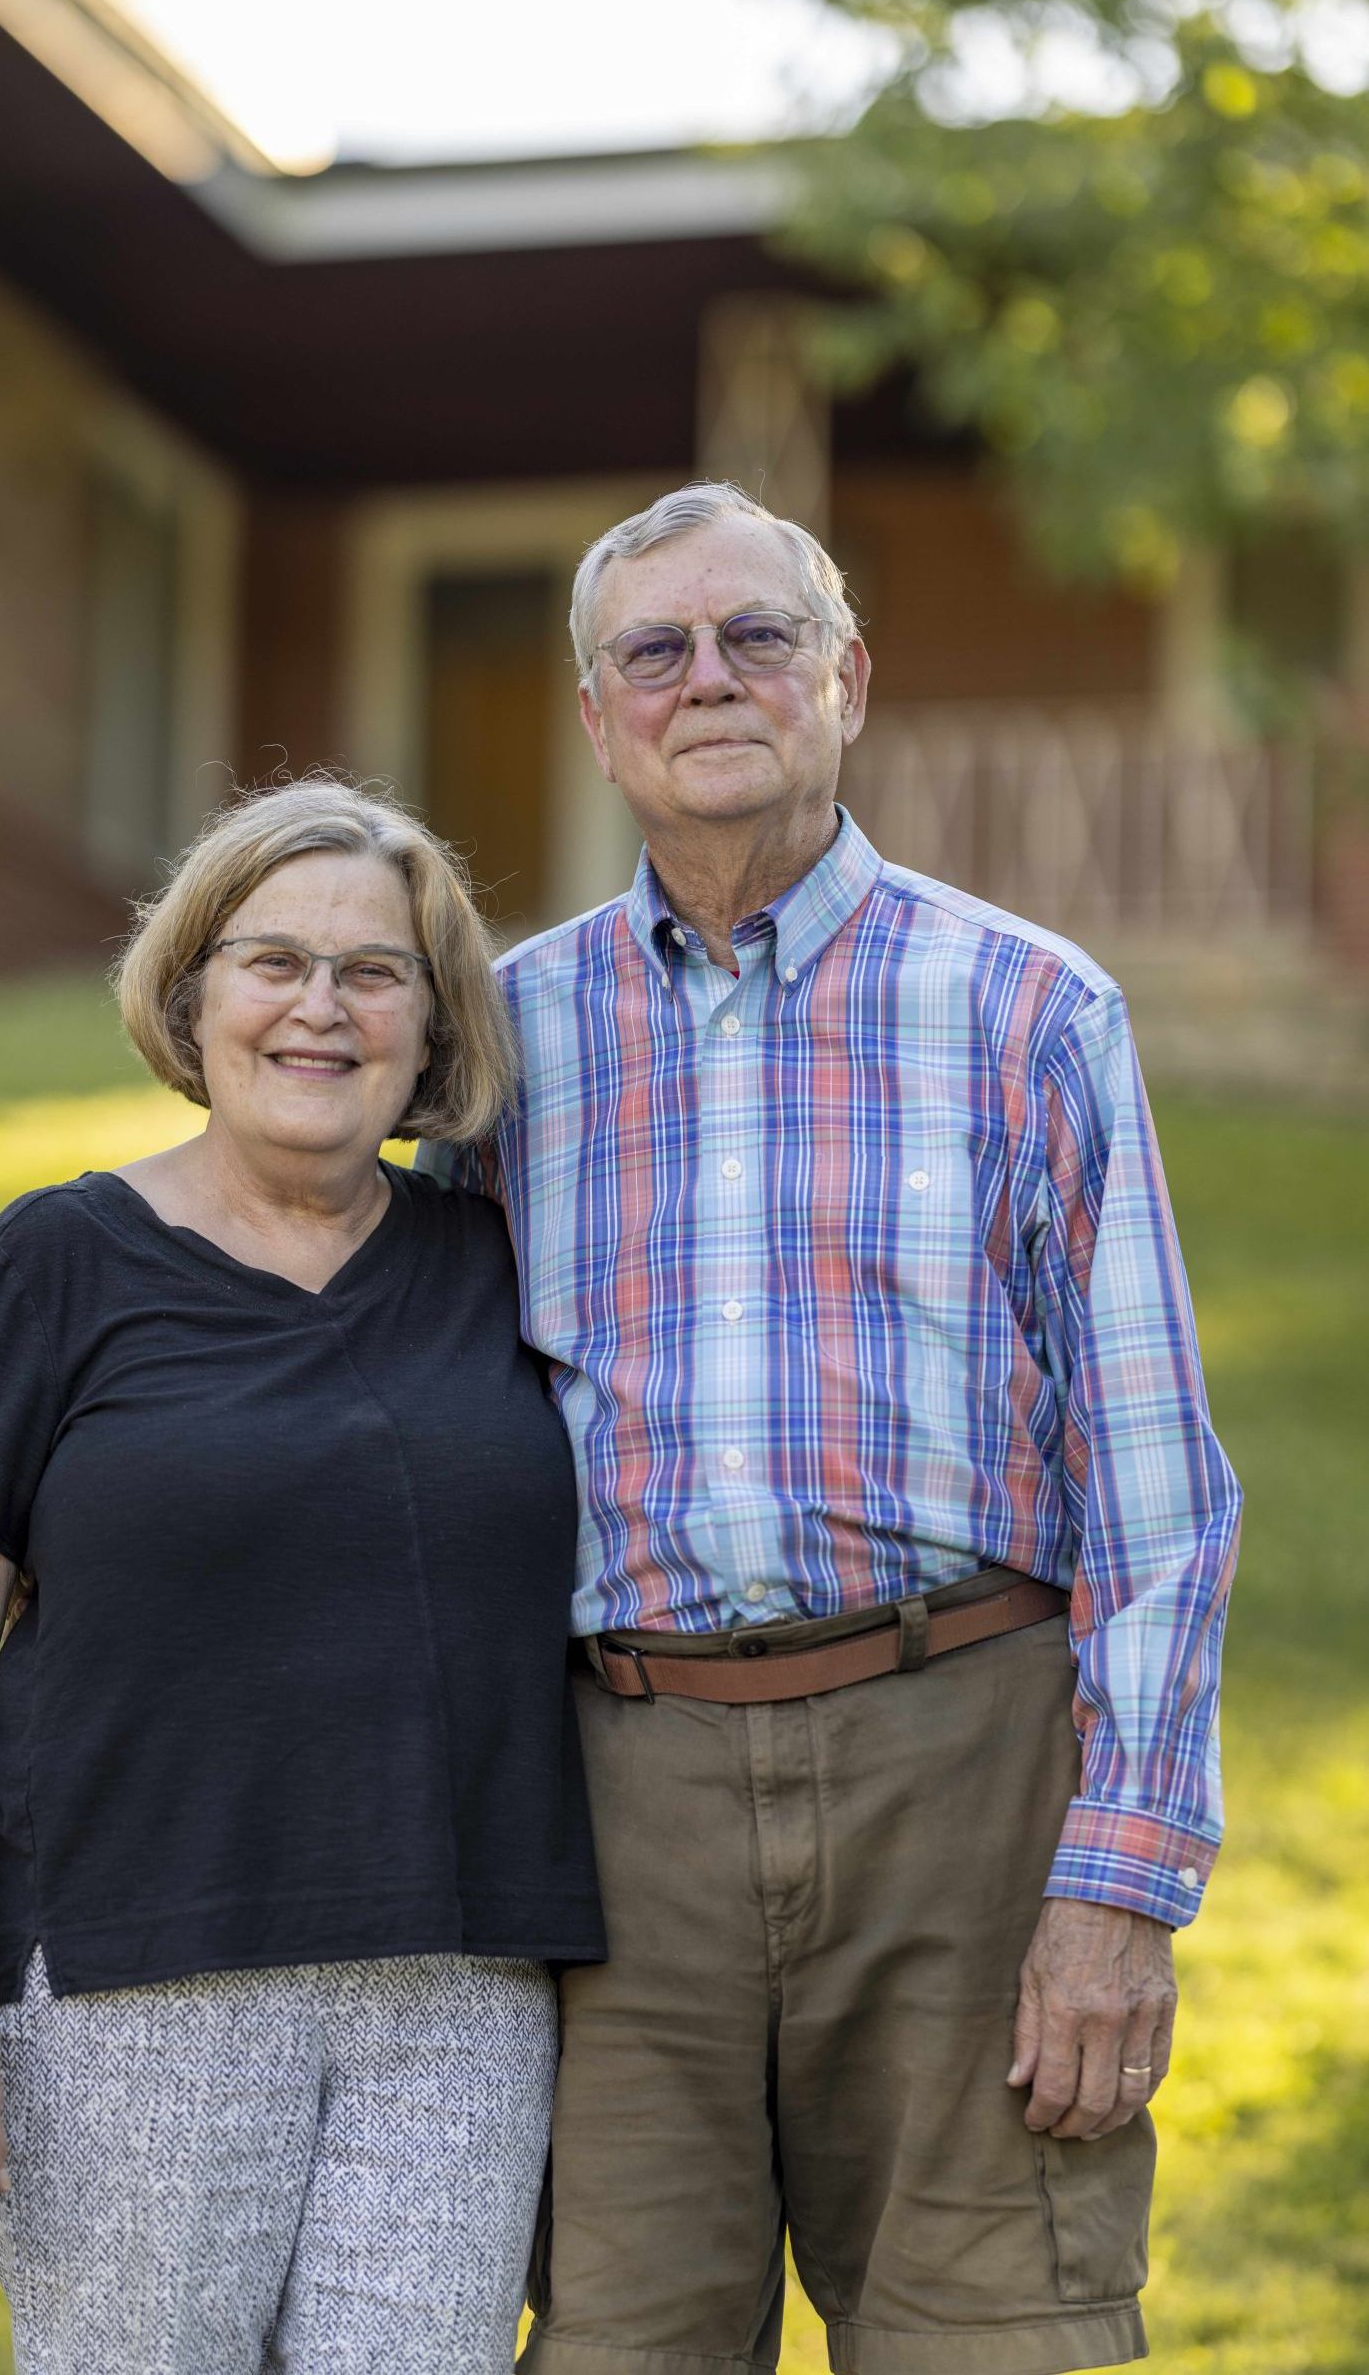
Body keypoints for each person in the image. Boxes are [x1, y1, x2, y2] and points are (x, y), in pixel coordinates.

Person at [428, 482, 1241, 2375]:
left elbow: (1152, 1483)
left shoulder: (1031, 1005)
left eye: (758, 635)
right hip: (616, 1803)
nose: (707, 677)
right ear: (599, 714)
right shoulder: (497, 1049)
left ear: (847, 679)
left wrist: (1119, 1884)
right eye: (656, 648)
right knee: (621, 2340)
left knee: (991, 2334)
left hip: (963, 1766)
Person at [0, 775, 603, 2375]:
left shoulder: (498, 1265)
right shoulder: (53, 1263)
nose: (320, 1009)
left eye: (374, 972)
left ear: (432, 1026)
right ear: (193, 995)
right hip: (140, 1986)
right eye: (274, 962)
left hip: (460, 2000)